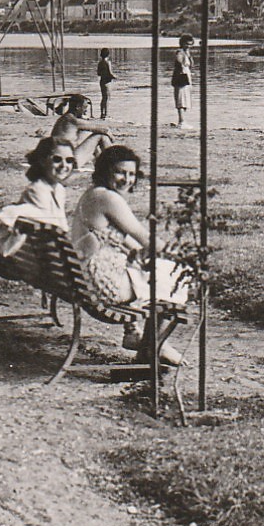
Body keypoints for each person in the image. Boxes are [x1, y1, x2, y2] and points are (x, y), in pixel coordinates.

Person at [69, 144, 190, 365]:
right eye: (120, 172)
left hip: (86, 276)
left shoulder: (93, 194)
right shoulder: (108, 198)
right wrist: (182, 257)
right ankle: (155, 345)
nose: (127, 179)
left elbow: (122, 239)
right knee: (177, 275)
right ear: (105, 171)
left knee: (158, 269)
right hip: (103, 284)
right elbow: (143, 236)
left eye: (132, 174)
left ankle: (145, 342)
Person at [18, 136, 75, 226]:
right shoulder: (37, 190)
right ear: (42, 160)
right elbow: (51, 229)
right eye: (57, 159)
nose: (64, 165)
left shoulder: (59, 189)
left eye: (69, 160)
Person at [50, 93, 113, 169]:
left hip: (59, 158)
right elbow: (104, 129)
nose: (86, 111)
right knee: (101, 135)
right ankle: (113, 162)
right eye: (84, 107)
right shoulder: (73, 121)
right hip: (68, 161)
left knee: (87, 133)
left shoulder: (65, 118)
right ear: (78, 107)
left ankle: (99, 162)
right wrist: (111, 137)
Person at [172, 34, 195, 127]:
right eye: (187, 44)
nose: (188, 46)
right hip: (181, 77)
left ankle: (181, 121)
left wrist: (189, 55)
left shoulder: (186, 53)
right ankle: (181, 121)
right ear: (182, 43)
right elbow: (179, 62)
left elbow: (191, 65)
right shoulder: (180, 52)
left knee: (185, 99)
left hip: (186, 76)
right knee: (181, 99)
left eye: (190, 44)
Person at [96, 48, 116, 119]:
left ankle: (102, 113)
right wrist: (115, 77)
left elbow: (98, 73)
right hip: (107, 82)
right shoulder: (108, 62)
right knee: (107, 98)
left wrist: (103, 74)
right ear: (108, 54)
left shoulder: (100, 63)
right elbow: (110, 73)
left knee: (103, 98)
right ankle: (106, 114)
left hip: (102, 81)